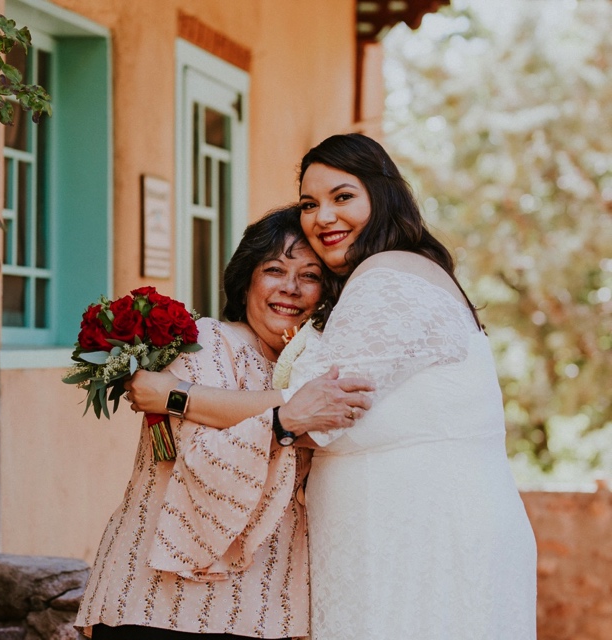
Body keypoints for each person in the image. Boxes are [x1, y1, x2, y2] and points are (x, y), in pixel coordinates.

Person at [126, 134, 537, 639]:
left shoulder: (389, 276)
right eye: (309, 204)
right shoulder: (384, 277)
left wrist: (175, 395)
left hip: (423, 540)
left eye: (342, 197)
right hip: (388, 542)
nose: (322, 217)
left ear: (382, 197)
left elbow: (308, 408)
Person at [74, 205, 374, 640]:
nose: (290, 288)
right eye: (275, 269)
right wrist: (286, 419)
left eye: (309, 276)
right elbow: (207, 463)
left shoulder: (311, 368)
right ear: (246, 278)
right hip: (166, 607)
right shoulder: (212, 342)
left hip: (265, 610)